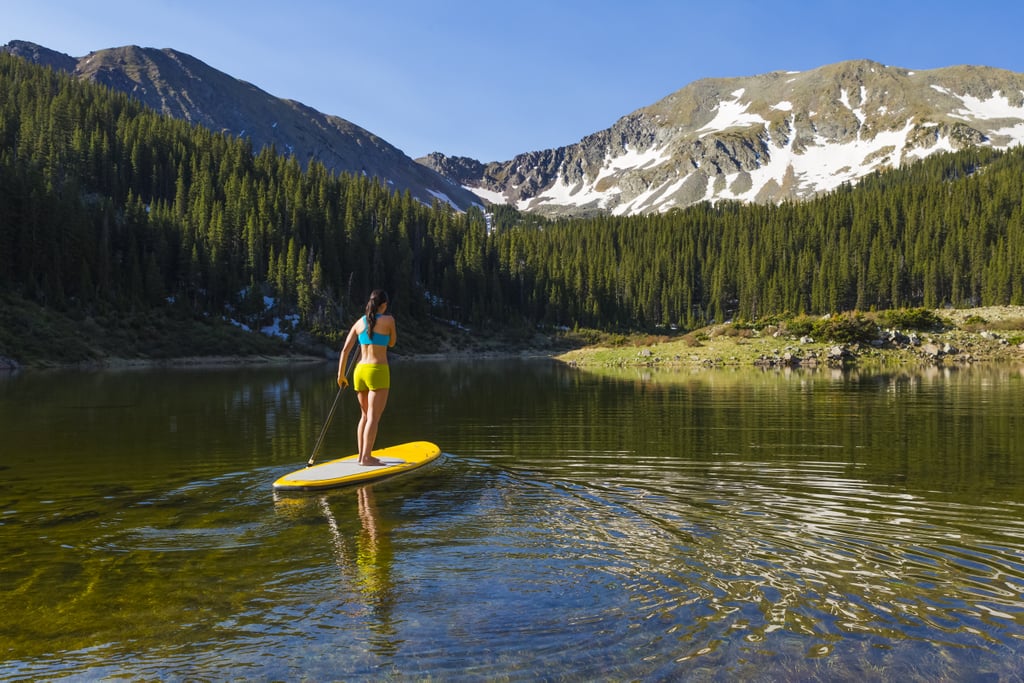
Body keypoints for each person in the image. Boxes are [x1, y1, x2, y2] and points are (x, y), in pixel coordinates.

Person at [338, 289, 397, 466]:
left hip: (359, 372)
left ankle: (360, 456)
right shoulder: (389, 320)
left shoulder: (359, 323)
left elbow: (345, 351)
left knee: (364, 416)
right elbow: (393, 342)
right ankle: (366, 458)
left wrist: (341, 375)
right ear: (384, 305)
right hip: (377, 370)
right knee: (373, 417)